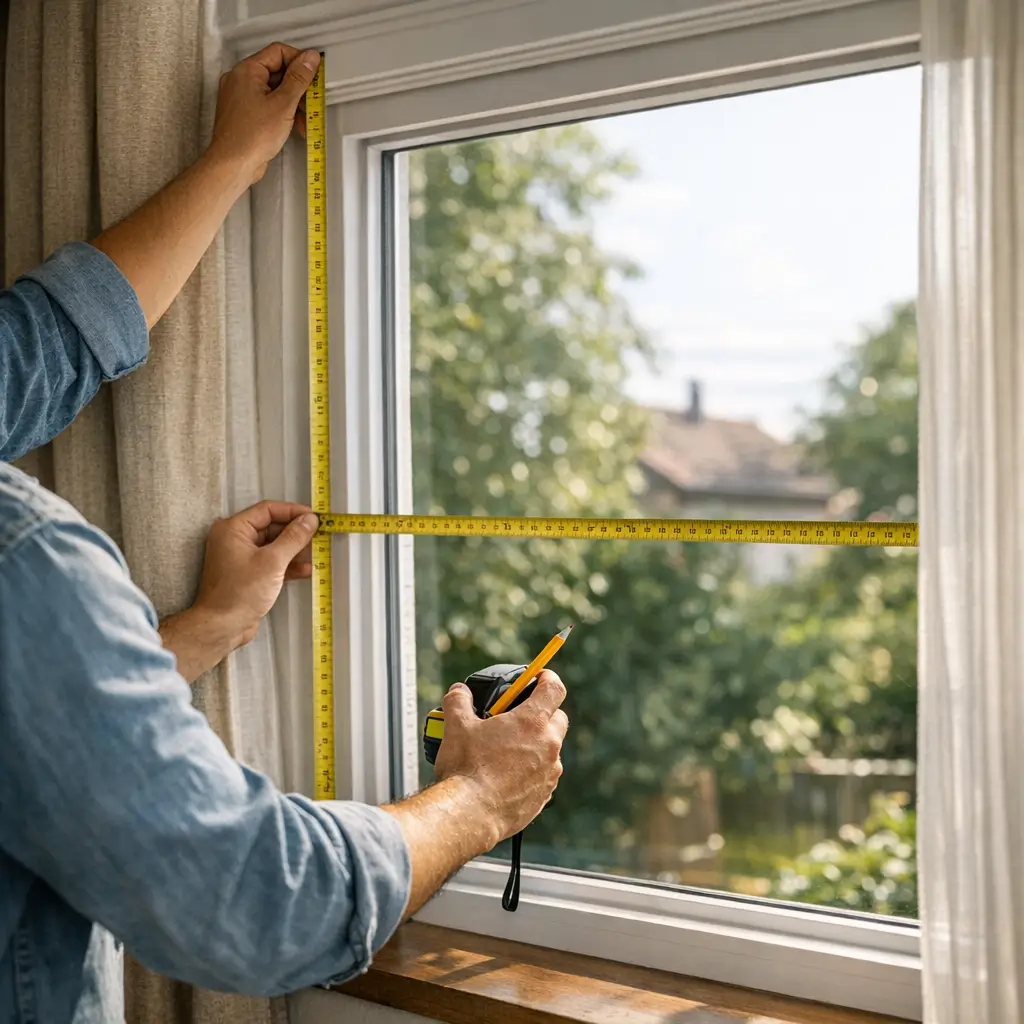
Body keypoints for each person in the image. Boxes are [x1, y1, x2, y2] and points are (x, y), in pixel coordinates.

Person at [0, 43, 568, 1023]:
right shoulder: (23, 558)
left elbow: (39, 350)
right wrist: (477, 802)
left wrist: (209, 626)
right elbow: (256, 903)